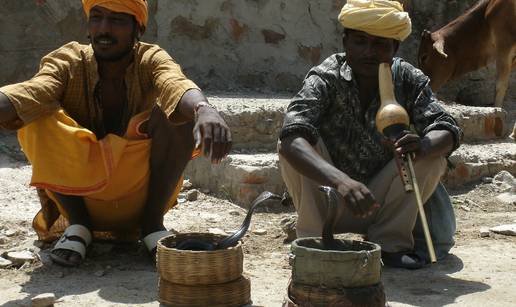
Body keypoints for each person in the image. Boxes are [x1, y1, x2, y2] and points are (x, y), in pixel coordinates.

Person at [0, 0, 232, 267]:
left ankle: (151, 227)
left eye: (118, 20)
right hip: (80, 195)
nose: (104, 29)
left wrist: (204, 109)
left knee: (175, 113)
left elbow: (174, 83)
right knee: (35, 115)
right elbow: (34, 90)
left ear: (138, 28)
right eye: (96, 18)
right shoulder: (68, 60)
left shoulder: (151, 59)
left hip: (139, 196)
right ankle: (79, 227)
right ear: (88, 25)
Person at [278, 0, 462, 269]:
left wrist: (422, 145)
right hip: (328, 198)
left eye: (379, 44)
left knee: (433, 157)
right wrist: (341, 182)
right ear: (345, 42)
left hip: (379, 203)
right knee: (296, 141)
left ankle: (391, 244)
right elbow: (291, 136)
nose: (368, 52)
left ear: (394, 48)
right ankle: (314, 243)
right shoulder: (326, 76)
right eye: (360, 42)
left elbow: (447, 128)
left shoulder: (408, 78)